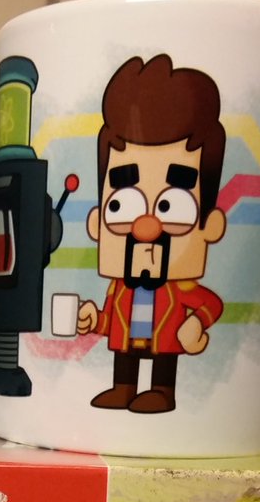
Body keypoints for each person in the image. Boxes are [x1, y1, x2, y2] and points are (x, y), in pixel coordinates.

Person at [77, 54, 227, 414]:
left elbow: (211, 304)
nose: (147, 227)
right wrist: (95, 320)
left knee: (163, 366)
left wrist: (196, 323)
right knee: (125, 359)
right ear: (97, 223)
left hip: (165, 342)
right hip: (128, 341)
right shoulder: (119, 288)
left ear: (210, 226)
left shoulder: (182, 288)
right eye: (122, 206)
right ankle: (124, 388)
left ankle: (162, 391)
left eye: (172, 206)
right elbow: (112, 320)